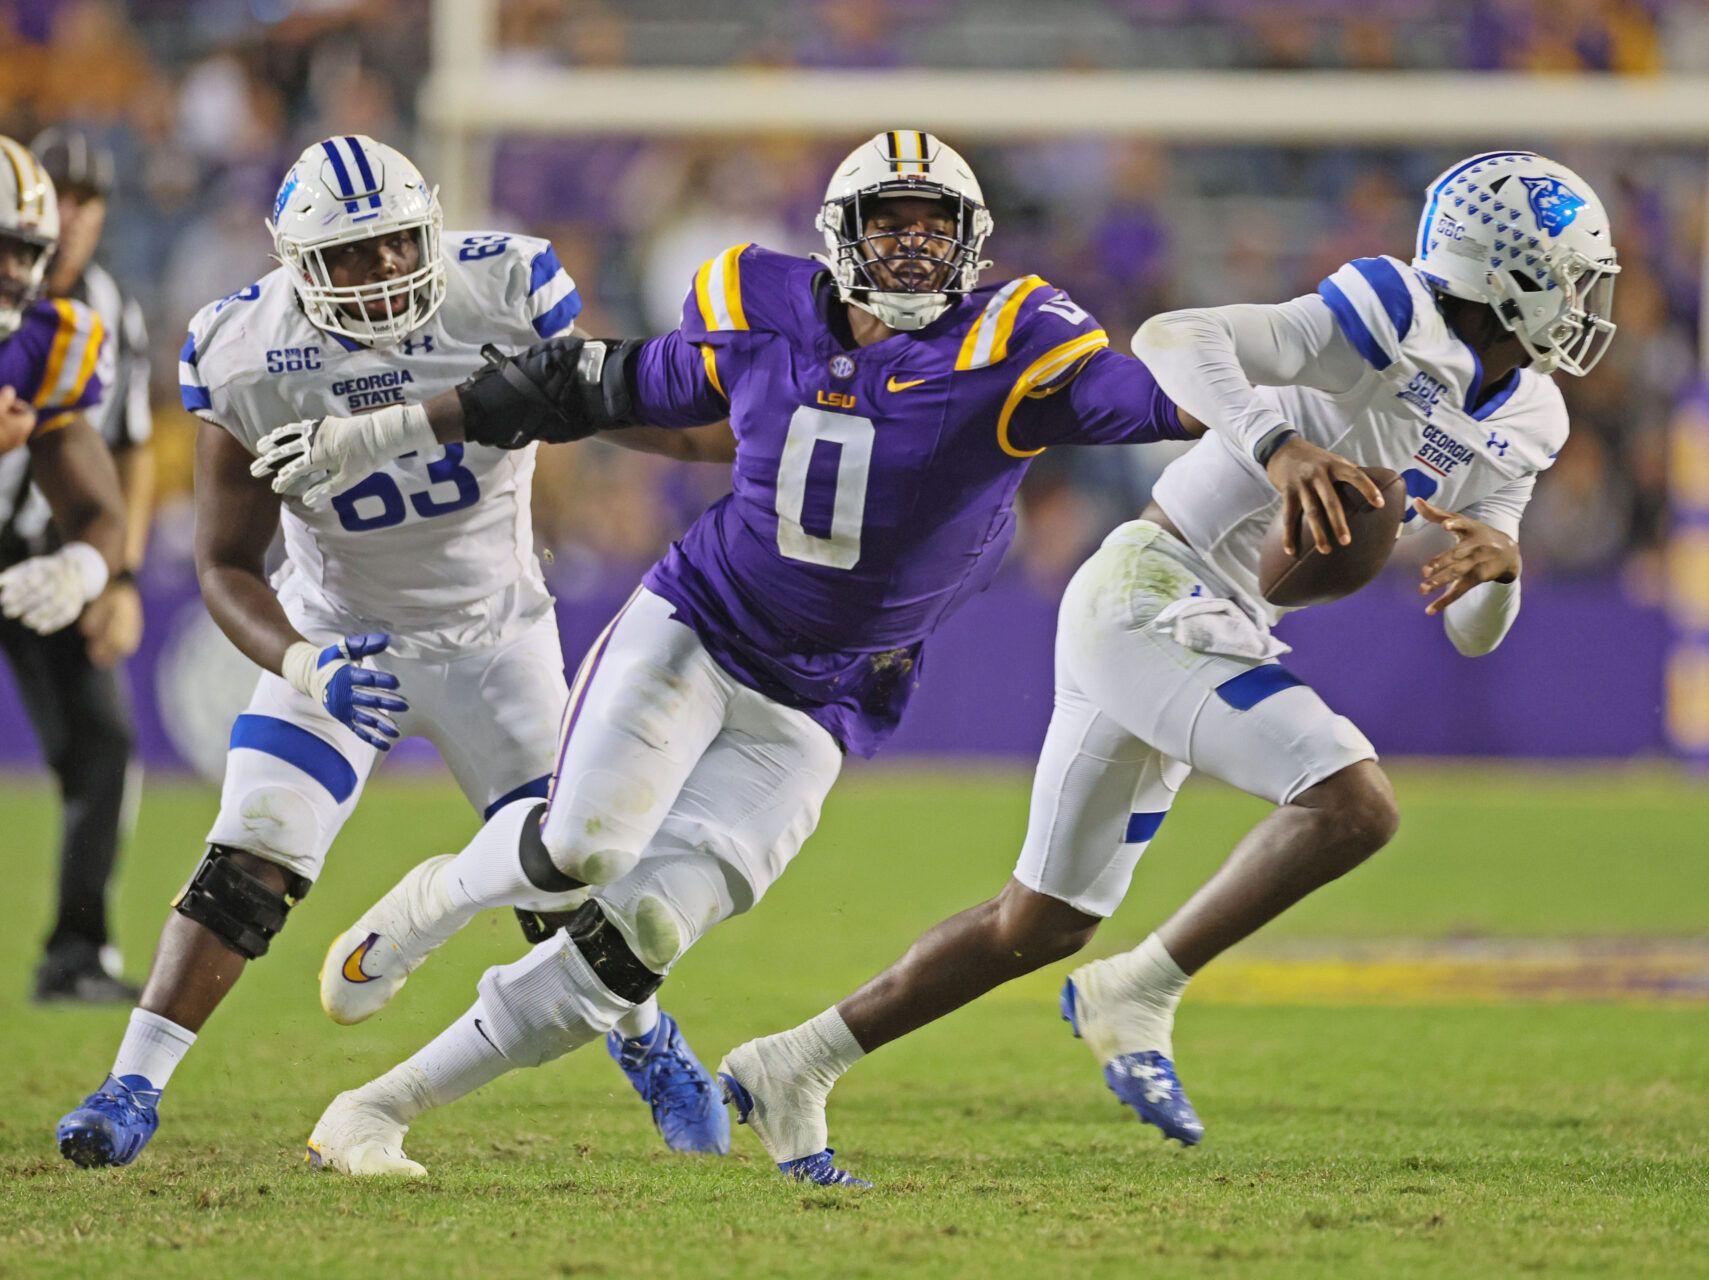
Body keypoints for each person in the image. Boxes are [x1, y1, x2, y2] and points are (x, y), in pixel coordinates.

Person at [258, 129, 1200, 1182]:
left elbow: (1149, 399)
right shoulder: (762, 309)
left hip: (829, 696)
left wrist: (1257, 412)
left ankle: (372, 1108)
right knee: (583, 849)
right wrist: (379, 431)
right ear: (840, 235)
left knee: (639, 933)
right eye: (889, 226)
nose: (912, 252)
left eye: (935, 230)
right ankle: (438, 896)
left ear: (973, 243)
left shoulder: (1015, 340)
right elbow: (582, 383)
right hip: (701, 624)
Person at [718, 151, 1620, 1182]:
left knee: (1038, 920)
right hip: (1153, 589)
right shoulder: (1387, 310)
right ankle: (1138, 988)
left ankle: (795, 1061)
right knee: (1355, 803)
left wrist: (1505, 568)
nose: (1587, 301)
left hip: (1206, 618)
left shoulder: (1532, 412)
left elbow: (1474, 624)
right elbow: (1172, 336)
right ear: (1510, 272)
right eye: (1576, 274)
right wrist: (1277, 443)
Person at [56, 135, 734, 1170]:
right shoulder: (242, 349)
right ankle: (132, 1082)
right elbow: (225, 561)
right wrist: (302, 663)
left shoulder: (502, 287)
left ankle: (650, 1044)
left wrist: (764, 427)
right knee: (252, 858)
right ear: (294, 264)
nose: (382, 273)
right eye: (351, 255)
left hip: (496, 634)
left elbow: (617, 408)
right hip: (339, 633)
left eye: (395, 245)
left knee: (564, 880)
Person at [3, 126, 152, 1003]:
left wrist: (103, 574)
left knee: (103, 744)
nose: (16, 275)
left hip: (29, 549)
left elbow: (102, 493)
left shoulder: (62, 334)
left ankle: (76, 956)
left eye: (23, 254)